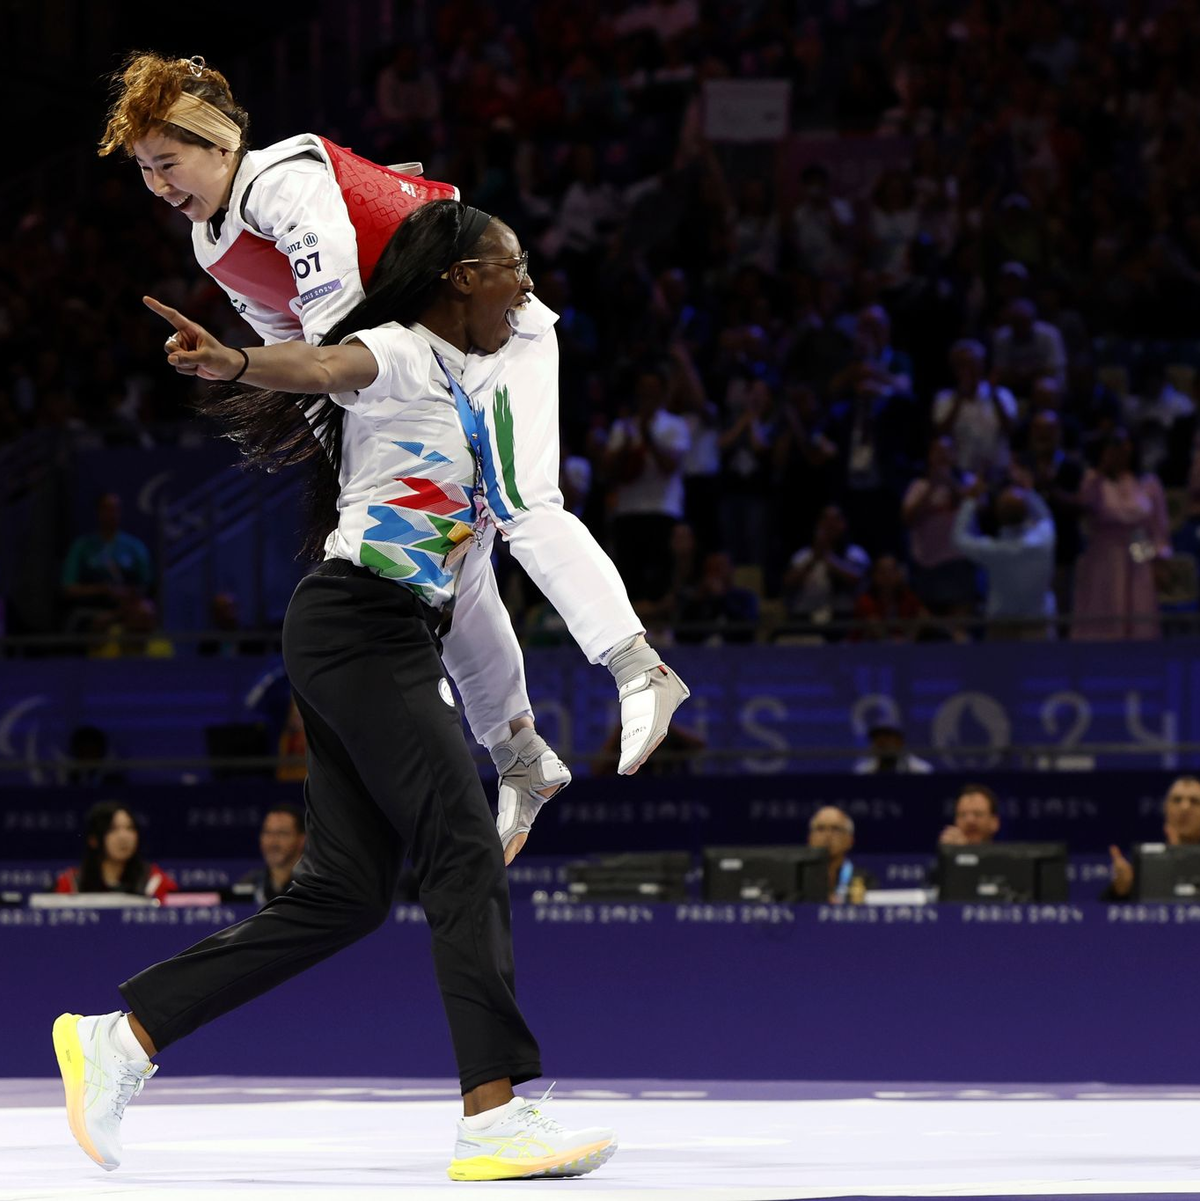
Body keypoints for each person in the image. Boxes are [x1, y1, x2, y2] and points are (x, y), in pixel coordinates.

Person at [53, 203, 625, 1182]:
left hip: (366, 630)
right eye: (507, 267)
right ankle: (494, 1114)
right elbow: (323, 367)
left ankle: (124, 1038)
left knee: (346, 895)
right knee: (459, 851)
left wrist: (515, 734)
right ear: (455, 280)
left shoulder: (480, 391)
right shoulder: (399, 350)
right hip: (359, 626)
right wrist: (234, 362)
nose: (526, 286)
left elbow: (484, 587)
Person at [101, 51, 682, 784]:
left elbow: (336, 334)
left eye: (168, 160)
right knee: (453, 559)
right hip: (421, 357)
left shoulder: (284, 183)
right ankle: (521, 757)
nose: (157, 184)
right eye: (144, 169)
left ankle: (640, 667)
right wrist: (346, 463)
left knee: (520, 505)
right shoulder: (210, 241)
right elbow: (306, 366)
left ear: (220, 143)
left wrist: (242, 365)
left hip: (492, 324)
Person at [1072, 429, 1171, 641]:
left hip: (1138, 543)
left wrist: (1159, 561)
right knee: (1106, 604)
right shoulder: (1094, 480)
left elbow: (1158, 527)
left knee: (1139, 600)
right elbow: (1085, 506)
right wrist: (1102, 470)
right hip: (1105, 550)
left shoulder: (1149, 482)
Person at [952, 483, 1056, 640]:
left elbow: (959, 538)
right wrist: (1028, 491)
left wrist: (970, 501)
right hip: (1037, 624)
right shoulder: (1043, 540)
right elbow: (1046, 517)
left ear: (998, 516)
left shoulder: (993, 551)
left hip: (1002, 626)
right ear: (1026, 511)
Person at [61, 492, 152, 632]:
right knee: (100, 622)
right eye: (107, 509)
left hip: (127, 608)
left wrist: (127, 597)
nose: (112, 514)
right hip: (92, 607)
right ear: (98, 512)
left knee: (145, 612)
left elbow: (145, 585)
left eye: (115, 509)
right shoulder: (82, 546)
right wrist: (102, 589)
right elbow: (69, 589)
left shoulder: (135, 547)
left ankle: (137, 653)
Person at [54, 802, 177, 905]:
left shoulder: (156, 882)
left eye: (130, 828)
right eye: (113, 829)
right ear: (93, 840)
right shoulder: (71, 884)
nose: (124, 837)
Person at [1106, 775, 1200, 900]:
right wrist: (1122, 890)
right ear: (1166, 809)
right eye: (1177, 800)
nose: (1184, 807)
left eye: (1194, 801)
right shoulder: (1147, 864)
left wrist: (1179, 853)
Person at [238, 804, 306, 907]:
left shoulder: (314, 887)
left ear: (302, 840)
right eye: (268, 833)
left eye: (282, 833)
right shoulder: (248, 884)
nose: (273, 842)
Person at [807, 806, 877, 903]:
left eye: (835, 829)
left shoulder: (865, 881)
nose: (827, 835)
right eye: (820, 828)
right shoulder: (798, 882)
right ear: (810, 838)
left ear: (850, 840)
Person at [854, 722, 933, 774]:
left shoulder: (920, 770)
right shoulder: (862, 771)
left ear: (900, 742)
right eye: (877, 737)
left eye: (887, 736)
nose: (882, 741)